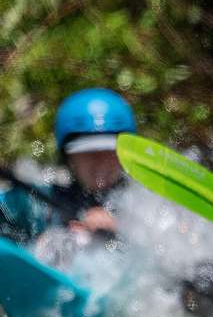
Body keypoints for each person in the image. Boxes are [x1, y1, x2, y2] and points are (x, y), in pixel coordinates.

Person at [0, 88, 135, 244]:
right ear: (69, 158)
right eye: (89, 153)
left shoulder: (142, 208)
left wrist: (121, 231)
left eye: (110, 152)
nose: (101, 162)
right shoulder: (36, 204)